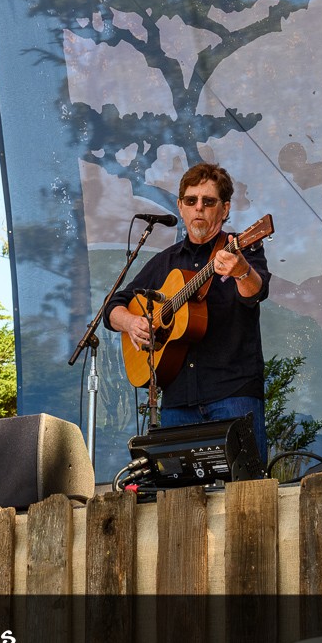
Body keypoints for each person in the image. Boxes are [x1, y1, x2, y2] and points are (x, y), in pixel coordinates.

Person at [107, 163, 272, 462]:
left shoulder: (240, 248)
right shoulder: (163, 263)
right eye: (191, 201)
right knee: (178, 497)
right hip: (177, 401)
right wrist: (132, 322)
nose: (199, 208)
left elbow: (256, 292)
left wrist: (241, 270)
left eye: (208, 202)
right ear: (181, 207)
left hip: (233, 392)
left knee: (246, 489)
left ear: (224, 209)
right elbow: (112, 307)